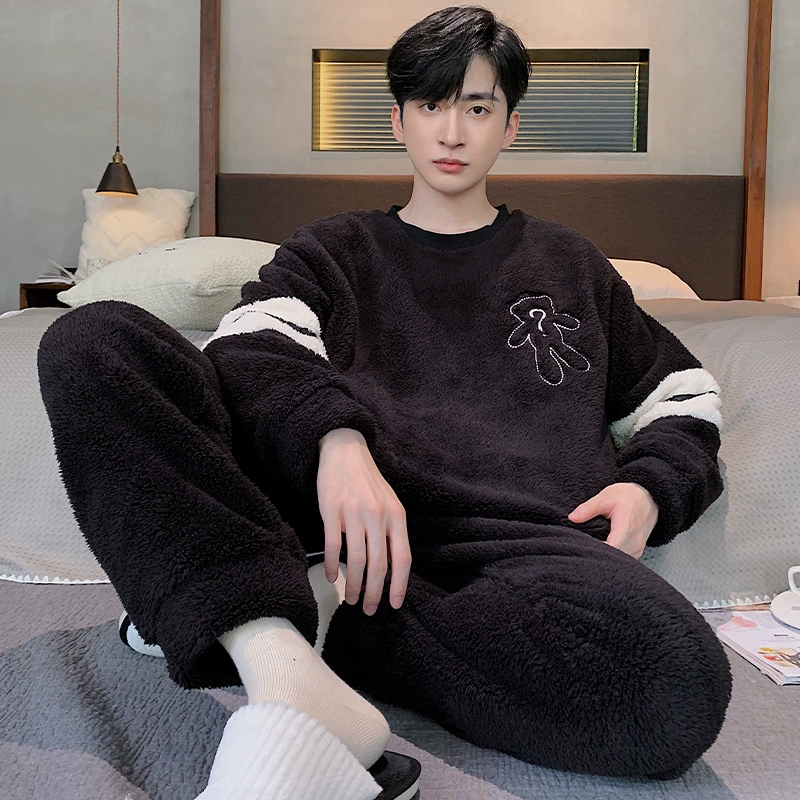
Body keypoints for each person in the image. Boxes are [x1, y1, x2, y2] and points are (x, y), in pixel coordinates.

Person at [37, 6, 732, 800]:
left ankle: (258, 610)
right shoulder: (333, 250)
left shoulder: (573, 266)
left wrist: (650, 488)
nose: (452, 132)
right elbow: (250, 350)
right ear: (398, 121)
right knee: (92, 341)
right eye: (432, 105)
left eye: (478, 108)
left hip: (509, 548)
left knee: (674, 688)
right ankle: (272, 650)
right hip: (326, 518)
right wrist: (337, 442)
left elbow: (683, 398)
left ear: (510, 127)